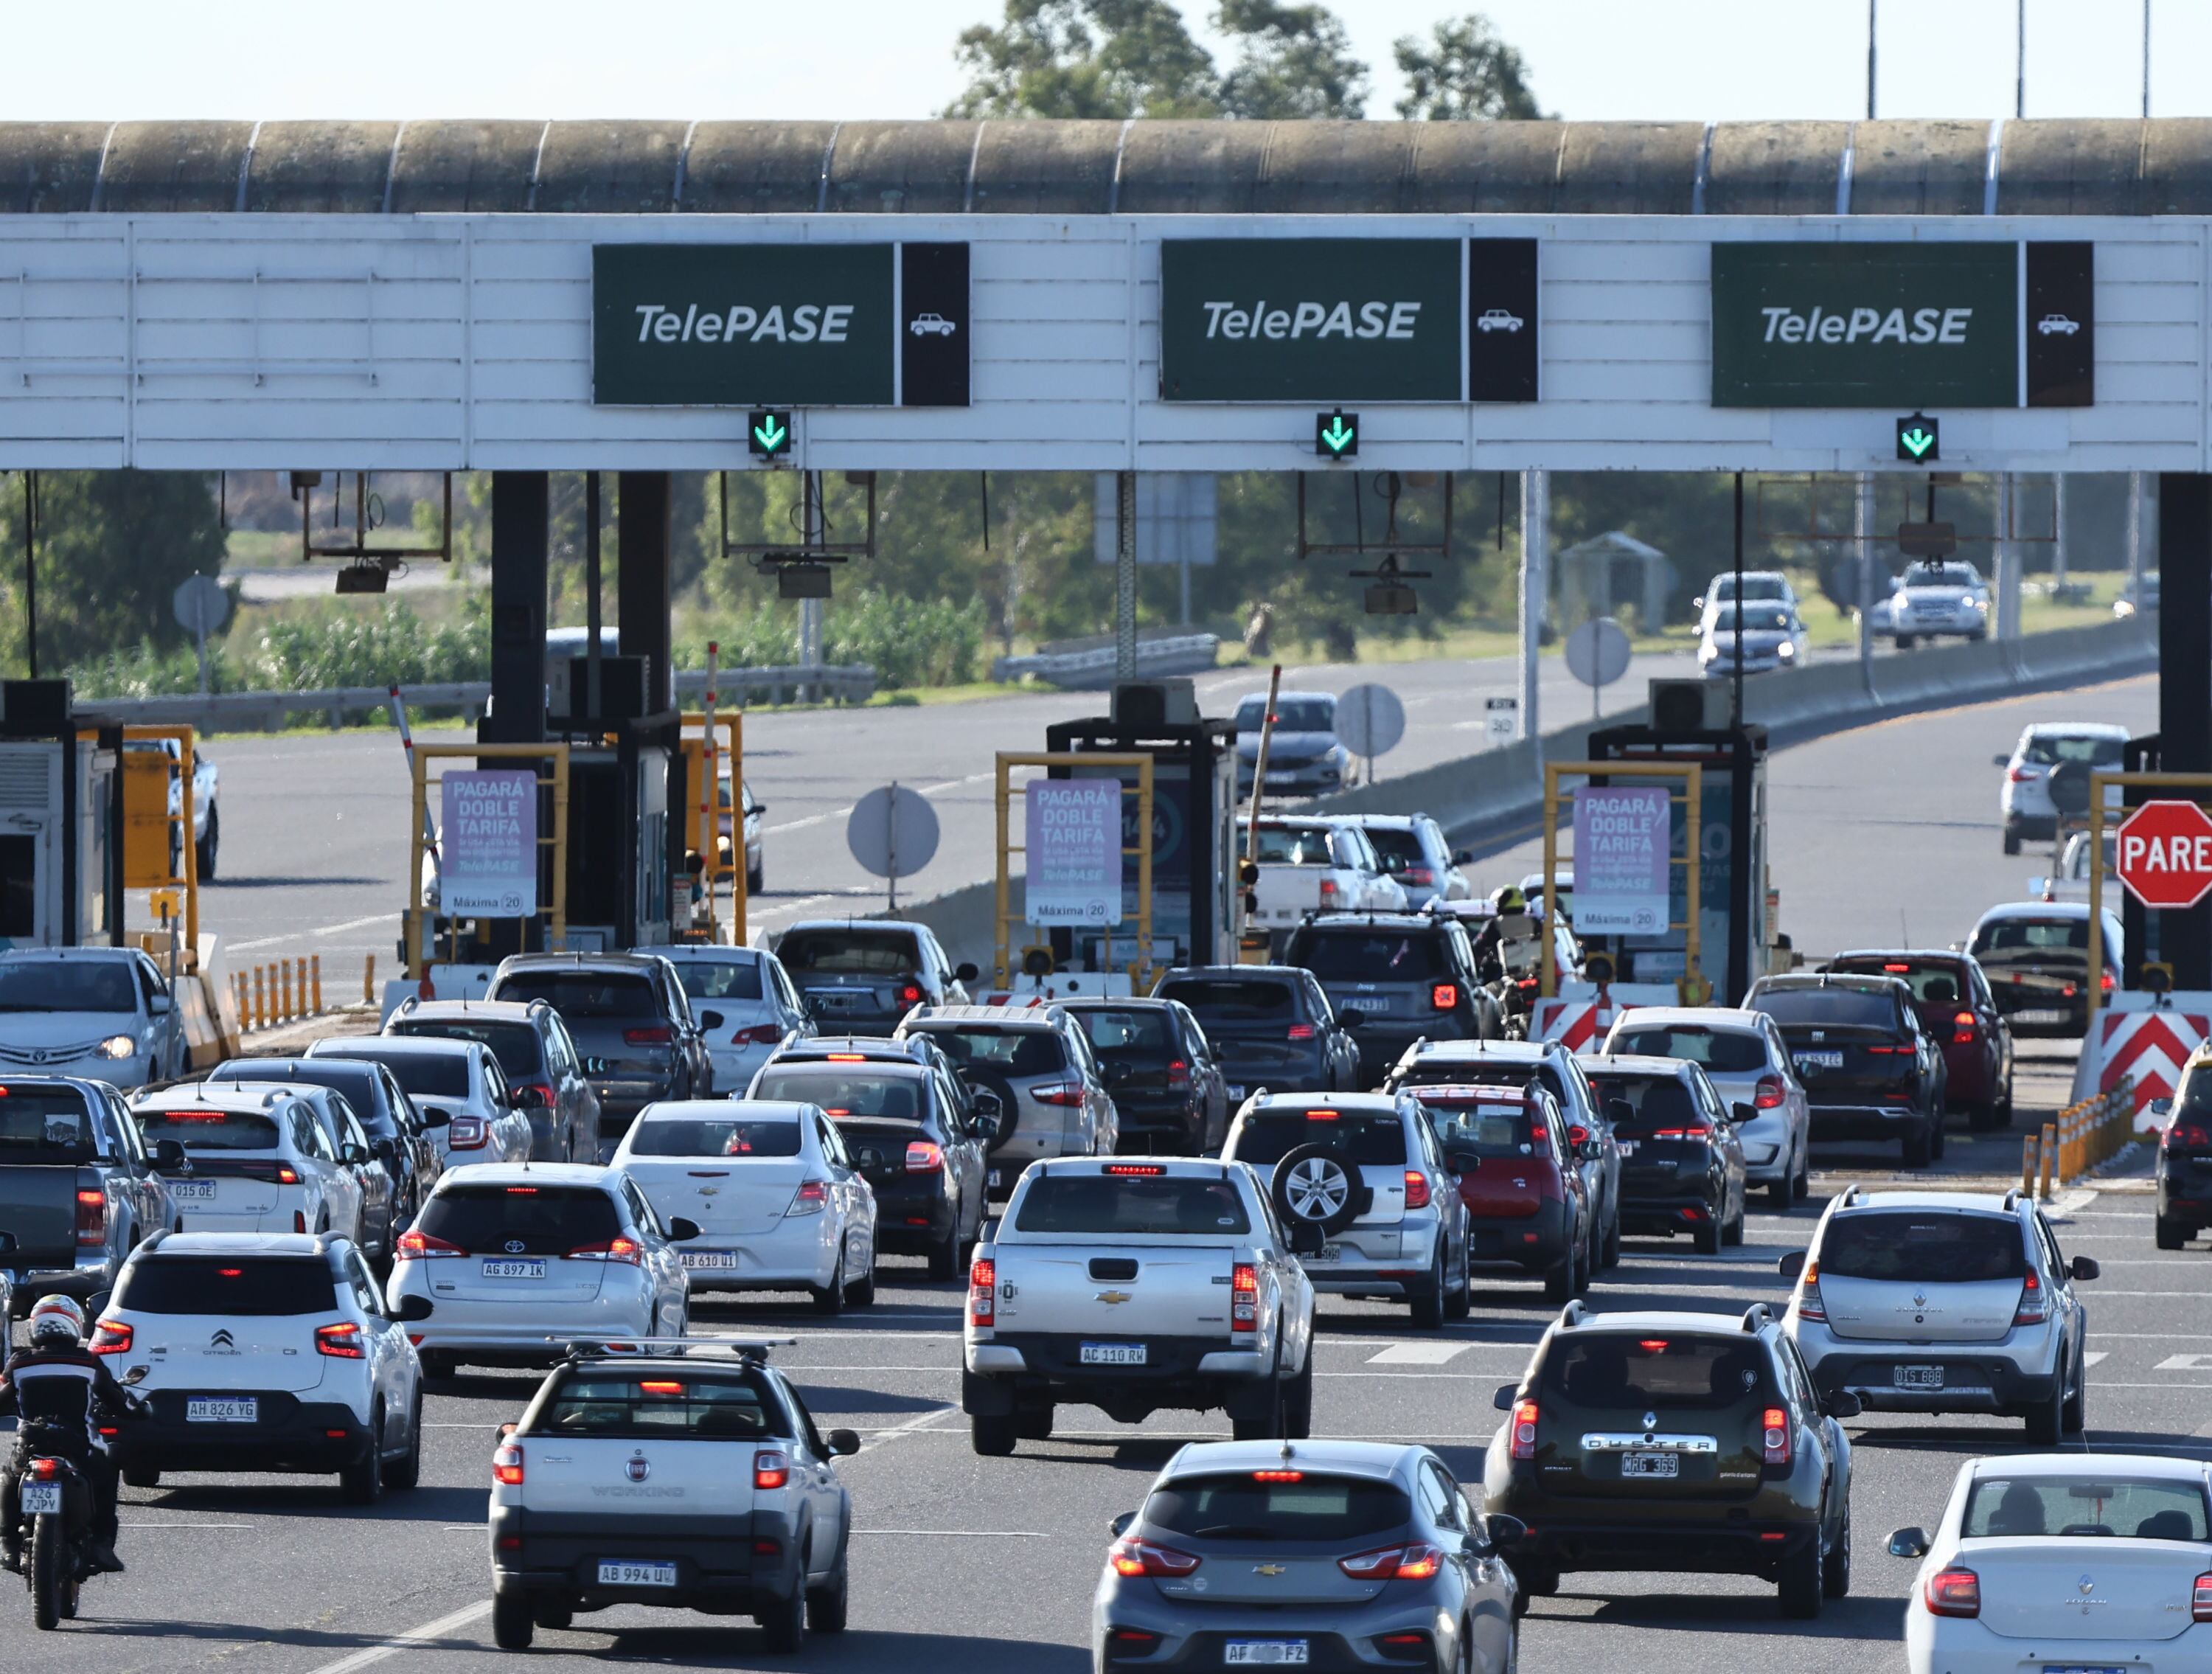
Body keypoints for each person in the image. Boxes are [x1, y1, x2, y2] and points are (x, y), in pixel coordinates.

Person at [0, 1295, 138, 1575]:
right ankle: (102, 1543)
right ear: (74, 1326)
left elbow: (2, 1401)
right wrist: (139, 1411)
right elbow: (117, 1400)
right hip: (78, 1447)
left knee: (8, 1478)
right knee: (108, 1472)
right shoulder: (88, 1362)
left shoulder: (19, 1364)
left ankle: (8, 1543)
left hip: (30, 1446)